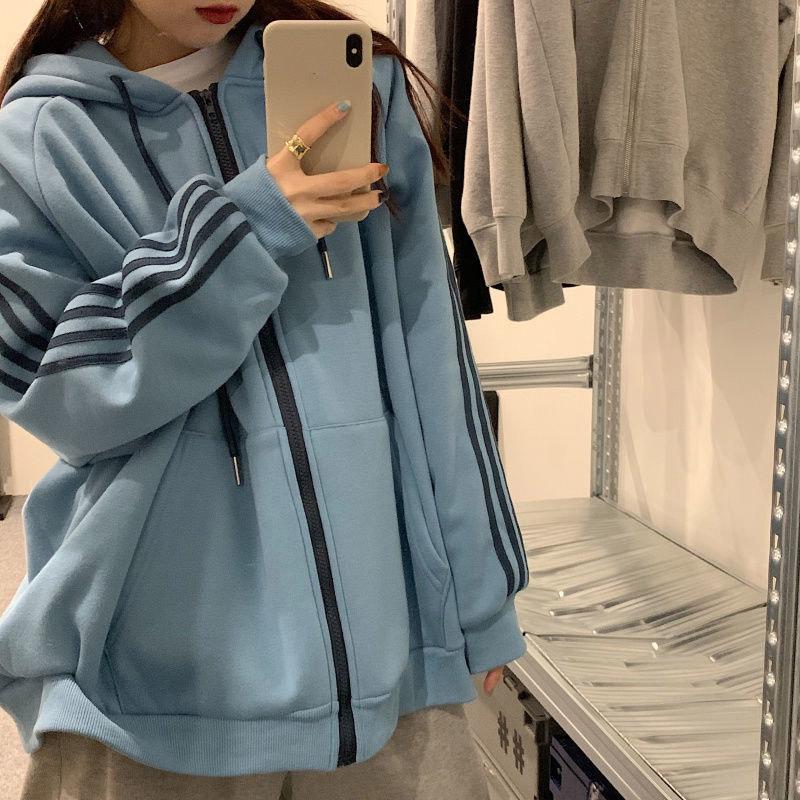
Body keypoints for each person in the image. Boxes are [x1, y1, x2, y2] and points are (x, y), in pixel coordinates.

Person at [0, 1, 530, 797]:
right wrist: (243, 229)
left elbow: (432, 355)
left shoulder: (364, 92)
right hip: (150, 683)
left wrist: (482, 596)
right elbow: (52, 387)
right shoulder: (39, 134)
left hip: (386, 663)